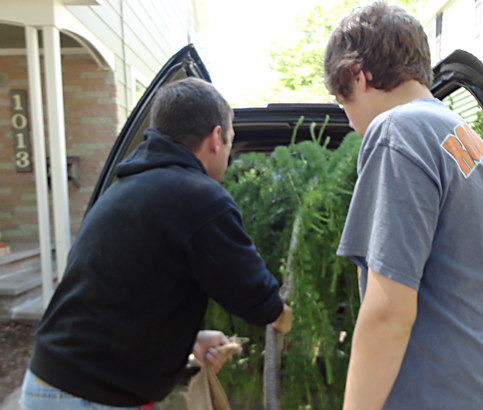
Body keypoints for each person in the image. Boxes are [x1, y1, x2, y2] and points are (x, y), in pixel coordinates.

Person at [324, 2, 483, 409]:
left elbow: (388, 312)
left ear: (358, 76)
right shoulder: (476, 147)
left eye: (344, 102)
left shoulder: (397, 130)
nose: (351, 122)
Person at [20, 77, 293, 410]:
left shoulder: (127, 188)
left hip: (50, 383)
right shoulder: (200, 196)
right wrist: (291, 321)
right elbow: (255, 297)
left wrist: (189, 341)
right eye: (231, 140)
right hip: (90, 397)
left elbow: (126, 295)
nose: (229, 153)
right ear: (216, 137)